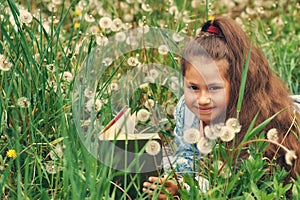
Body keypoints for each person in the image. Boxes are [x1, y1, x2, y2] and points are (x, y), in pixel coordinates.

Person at [142, 16, 300, 199]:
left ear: (237, 84)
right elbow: (186, 157)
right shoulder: (186, 112)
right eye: (193, 87)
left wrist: (186, 190)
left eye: (214, 88)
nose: (202, 99)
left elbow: (236, 181)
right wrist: (173, 181)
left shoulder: (255, 122)